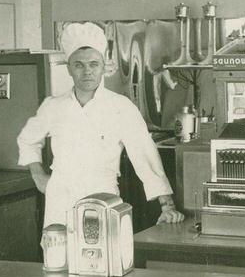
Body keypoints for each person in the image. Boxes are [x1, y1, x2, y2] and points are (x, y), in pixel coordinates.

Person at [17, 22, 185, 228]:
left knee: (102, 256)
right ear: (69, 68)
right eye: (79, 65)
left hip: (103, 199)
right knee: (59, 258)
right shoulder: (53, 106)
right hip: (59, 201)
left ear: (103, 67)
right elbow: (27, 140)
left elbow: (145, 154)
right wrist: (38, 176)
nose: (87, 71)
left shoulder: (120, 107)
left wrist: (166, 205)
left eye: (94, 64)